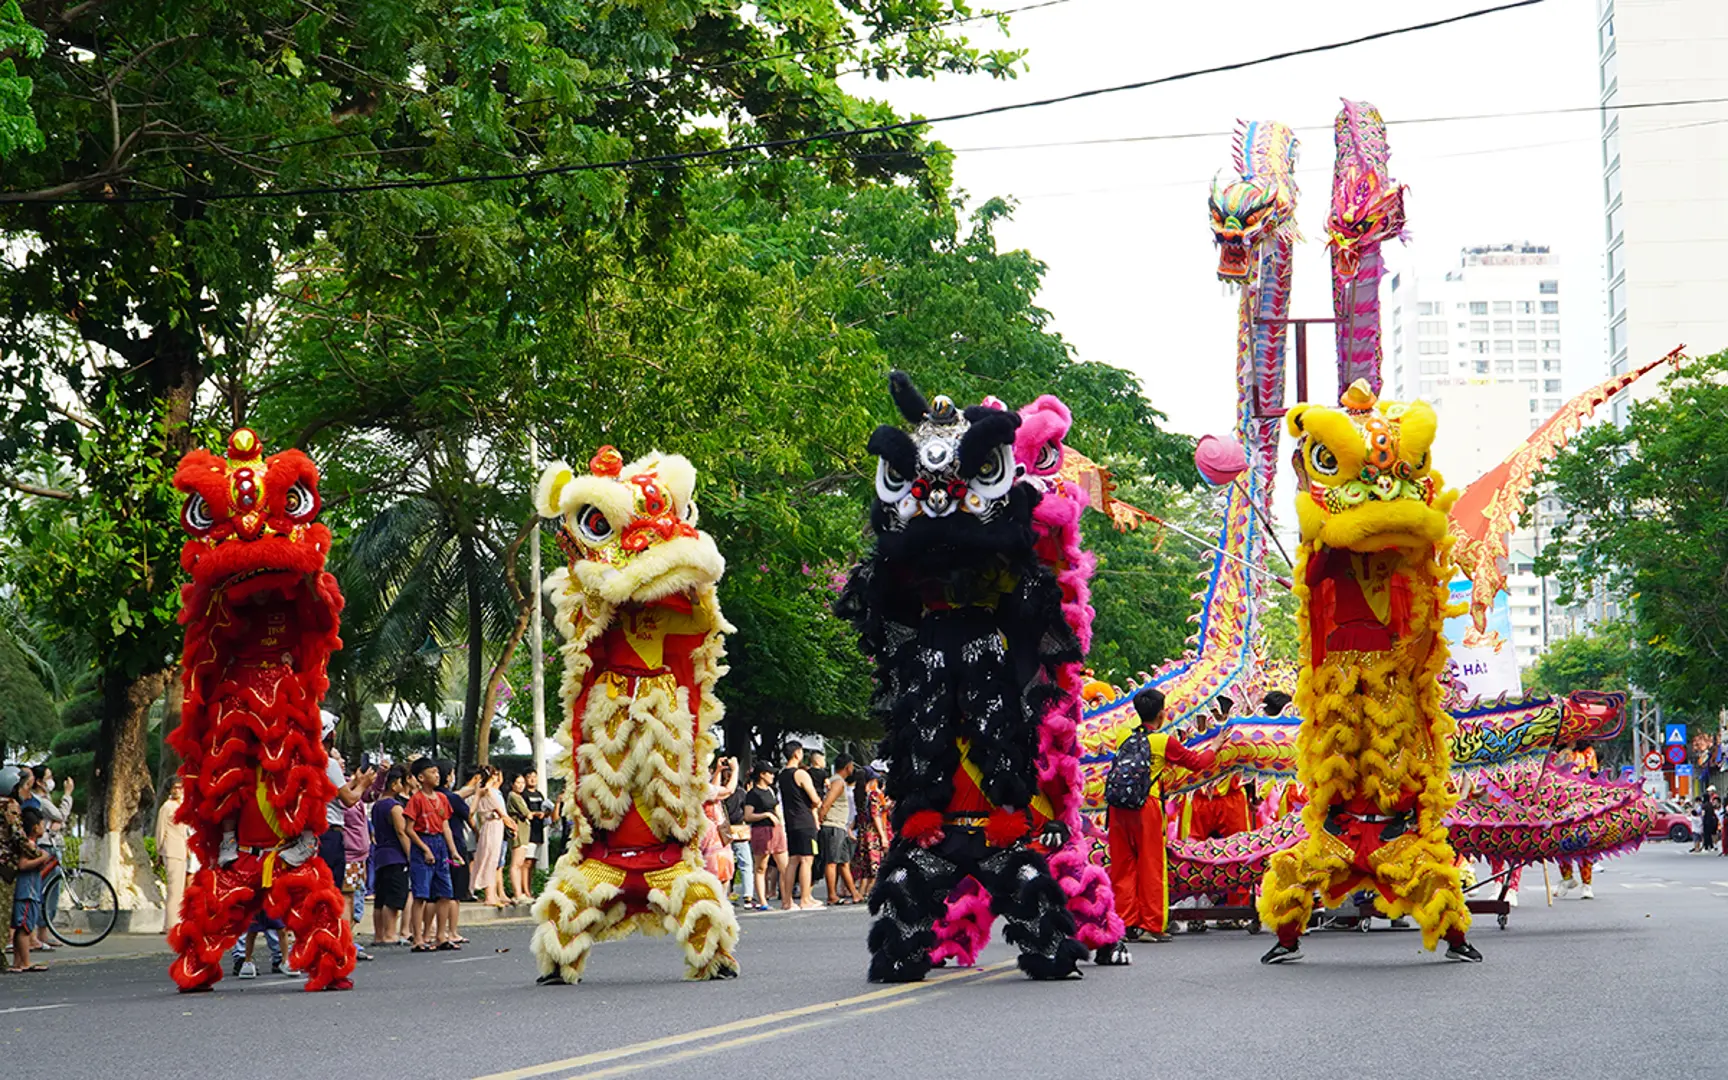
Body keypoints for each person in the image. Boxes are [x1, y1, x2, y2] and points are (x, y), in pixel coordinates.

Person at [1104, 687, 1217, 944]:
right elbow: (1197, 763)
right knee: (1151, 865)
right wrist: (1216, 747)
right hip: (1147, 807)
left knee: (1122, 867)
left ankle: (1126, 924)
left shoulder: (1123, 737)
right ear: (1163, 714)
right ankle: (1152, 925)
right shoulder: (1163, 742)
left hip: (1118, 808)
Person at [318, 715, 377, 954]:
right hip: (330, 836)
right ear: (330, 736)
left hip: (311, 834)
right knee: (333, 893)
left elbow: (337, 794)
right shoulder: (327, 763)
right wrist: (363, 784)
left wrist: (356, 784)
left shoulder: (303, 761)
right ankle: (333, 943)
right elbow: (349, 800)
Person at [405, 757, 463, 950]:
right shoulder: (416, 800)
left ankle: (441, 936)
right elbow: (409, 829)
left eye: (437, 772)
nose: (437, 776)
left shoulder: (442, 799)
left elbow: (445, 825)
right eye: (432, 772)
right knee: (421, 894)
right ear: (421, 777)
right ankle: (418, 938)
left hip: (440, 845)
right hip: (424, 842)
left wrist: (453, 851)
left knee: (445, 892)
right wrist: (425, 848)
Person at [370, 766, 414, 947]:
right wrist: (411, 855)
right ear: (395, 784)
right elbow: (402, 832)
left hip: (380, 855)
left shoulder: (377, 805)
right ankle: (390, 933)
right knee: (394, 897)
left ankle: (379, 934)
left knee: (380, 897)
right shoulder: (394, 807)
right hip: (395, 856)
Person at [776, 741, 822, 910]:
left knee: (793, 860)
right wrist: (817, 802)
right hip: (805, 821)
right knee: (807, 860)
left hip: (791, 822)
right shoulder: (801, 774)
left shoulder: (782, 775)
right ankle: (805, 899)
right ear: (797, 753)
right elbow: (815, 798)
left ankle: (787, 901)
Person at [1554, 740, 1599, 900]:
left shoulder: (1587, 752)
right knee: (1560, 843)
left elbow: (1593, 775)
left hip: (1581, 802)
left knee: (1584, 845)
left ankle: (1587, 885)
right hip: (1560, 803)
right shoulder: (1558, 753)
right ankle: (1567, 878)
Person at [9, 806, 50, 973]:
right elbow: (23, 864)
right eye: (42, 824)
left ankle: (18, 962)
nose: (43, 827)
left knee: (23, 927)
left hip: (30, 890)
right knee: (25, 928)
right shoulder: (29, 845)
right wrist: (43, 858)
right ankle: (25, 961)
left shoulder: (31, 844)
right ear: (35, 827)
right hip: (27, 891)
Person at [817, 755, 862, 904]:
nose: (853, 769)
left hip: (840, 826)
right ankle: (832, 895)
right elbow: (826, 804)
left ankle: (855, 894)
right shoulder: (837, 782)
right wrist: (820, 819)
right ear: (848, 766)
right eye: (852, 766)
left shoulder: (837, 781)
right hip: (833, 825)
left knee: (844, 861)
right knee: (832, 861)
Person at [743, 762, 785, 912]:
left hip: (776, 830)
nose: (773, 776)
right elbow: (748, 815)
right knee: (761, 867)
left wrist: (779, 822)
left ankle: (787, 900)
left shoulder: (772, 791)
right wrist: (766, 815)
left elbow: (777, 809)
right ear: (762, 774)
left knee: (784, 866)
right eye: (770, 773)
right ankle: (762, 900)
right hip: (761, 830)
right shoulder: (753, 794)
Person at [155, 776, 192, 935]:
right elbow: (160, 831)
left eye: (180, 787)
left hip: (182, 851)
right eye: (175, 787)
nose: (178, 790)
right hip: (171, 850)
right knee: (174, 890)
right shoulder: (167, 807)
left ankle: (175, 923)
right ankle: (171, 925)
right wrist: (159, 851)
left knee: (179, 890)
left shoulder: (181, 806)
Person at [471, 767, 508, 907]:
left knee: (493, 860)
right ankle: (489, 895)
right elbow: (500, 813)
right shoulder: (487, 792)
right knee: (489, 859)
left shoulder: (489, 792)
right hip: (491, 826)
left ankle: (492, 895)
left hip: (496, 827)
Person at [851, 768, 890, 898]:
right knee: (875, 865)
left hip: (862, 833)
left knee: (865, 866)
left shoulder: (859, 794)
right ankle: (870, 893)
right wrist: (883, 836)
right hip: (872, 834)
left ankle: (862, 893)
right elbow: (875, 816)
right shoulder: (873, 795)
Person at [721, 759, 753, 904]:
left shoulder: (721, 791)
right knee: (735, 864)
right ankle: (739, 893)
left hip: (729, 830)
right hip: (733, 829)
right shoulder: (735, 792)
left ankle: (746, 894)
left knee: (740, 863)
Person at [506, 771, 534, 905]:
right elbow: (527, 814)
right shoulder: (514, 796)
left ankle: (520, 893)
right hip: (518, 832)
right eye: (518, 782)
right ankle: (517, 893)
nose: (521, 785)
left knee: (520, 862)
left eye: (523, 783)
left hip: (523, 832)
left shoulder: (518, 796)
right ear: (512, 784)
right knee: (516, 864)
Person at [523, 769, 548, 868]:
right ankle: (524, 884)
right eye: (530, 777)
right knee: (527, 862)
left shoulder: (539, 794)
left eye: (534, 776)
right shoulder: (524, 794)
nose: (533, 779)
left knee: (533, 861)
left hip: (539, 831)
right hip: (528, 832)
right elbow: (524, 812)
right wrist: (535, 814)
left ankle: (529, 883)